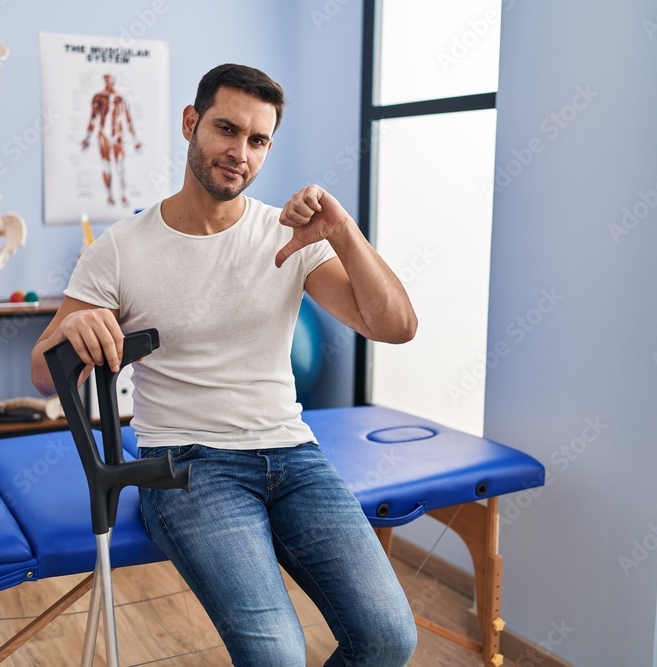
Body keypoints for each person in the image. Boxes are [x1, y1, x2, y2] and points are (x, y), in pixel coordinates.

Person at [32, 63, 418, 666]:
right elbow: (40, 372)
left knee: (389, 638)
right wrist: (74, 328)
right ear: (191, 123)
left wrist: (343, 232)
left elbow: (396, 327)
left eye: (258, 140)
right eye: (226, 129)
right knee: (277, 658)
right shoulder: (120, 250)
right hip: (189, 468)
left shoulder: (289, 236)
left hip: (294, 457)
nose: (239, 152)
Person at [81, 73, 142, 207]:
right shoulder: (99, 97)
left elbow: (128, 119)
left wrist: (135, 140)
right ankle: (109, 195)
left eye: (112, 80)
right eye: (107, 80)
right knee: (106, 167)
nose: (110, 83)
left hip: (118, 136)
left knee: (120, 166)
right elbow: (92, 118)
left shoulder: (121, 98)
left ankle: (124, 195)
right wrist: (87, 138)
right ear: (104, 81)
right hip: (104, 135)